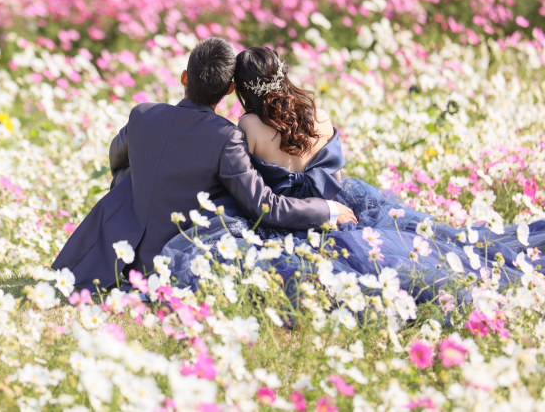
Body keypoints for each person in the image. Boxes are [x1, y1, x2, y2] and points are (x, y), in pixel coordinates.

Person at [161, 46, 545, 300]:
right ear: (283, 74)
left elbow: (247, 183)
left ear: (241, 90)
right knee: (424, 241)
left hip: (288, 217)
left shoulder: (248, 125)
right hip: (338, 203)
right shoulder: (318, 114)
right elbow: (335, 174)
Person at [52, 38, 356, 291]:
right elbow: (263, 205)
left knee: (132, 175)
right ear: (229, 90)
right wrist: (327, 210)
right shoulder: (227, 137)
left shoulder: (142, 115)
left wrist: (139, 189)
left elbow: (116, 159)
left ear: (185, 77)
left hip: (115, 253)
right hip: (181, 259)